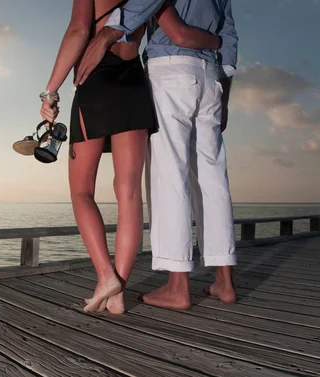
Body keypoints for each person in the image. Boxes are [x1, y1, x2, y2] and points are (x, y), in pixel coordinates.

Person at [40, 0, 221, 313]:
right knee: (129, 193)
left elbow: (79, 30)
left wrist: (50, 92)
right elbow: (175, 29)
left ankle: (106, 275)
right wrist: (217, 42)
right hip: (134, 81)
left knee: (81, 190)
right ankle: (118, 294)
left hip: (96, 79)